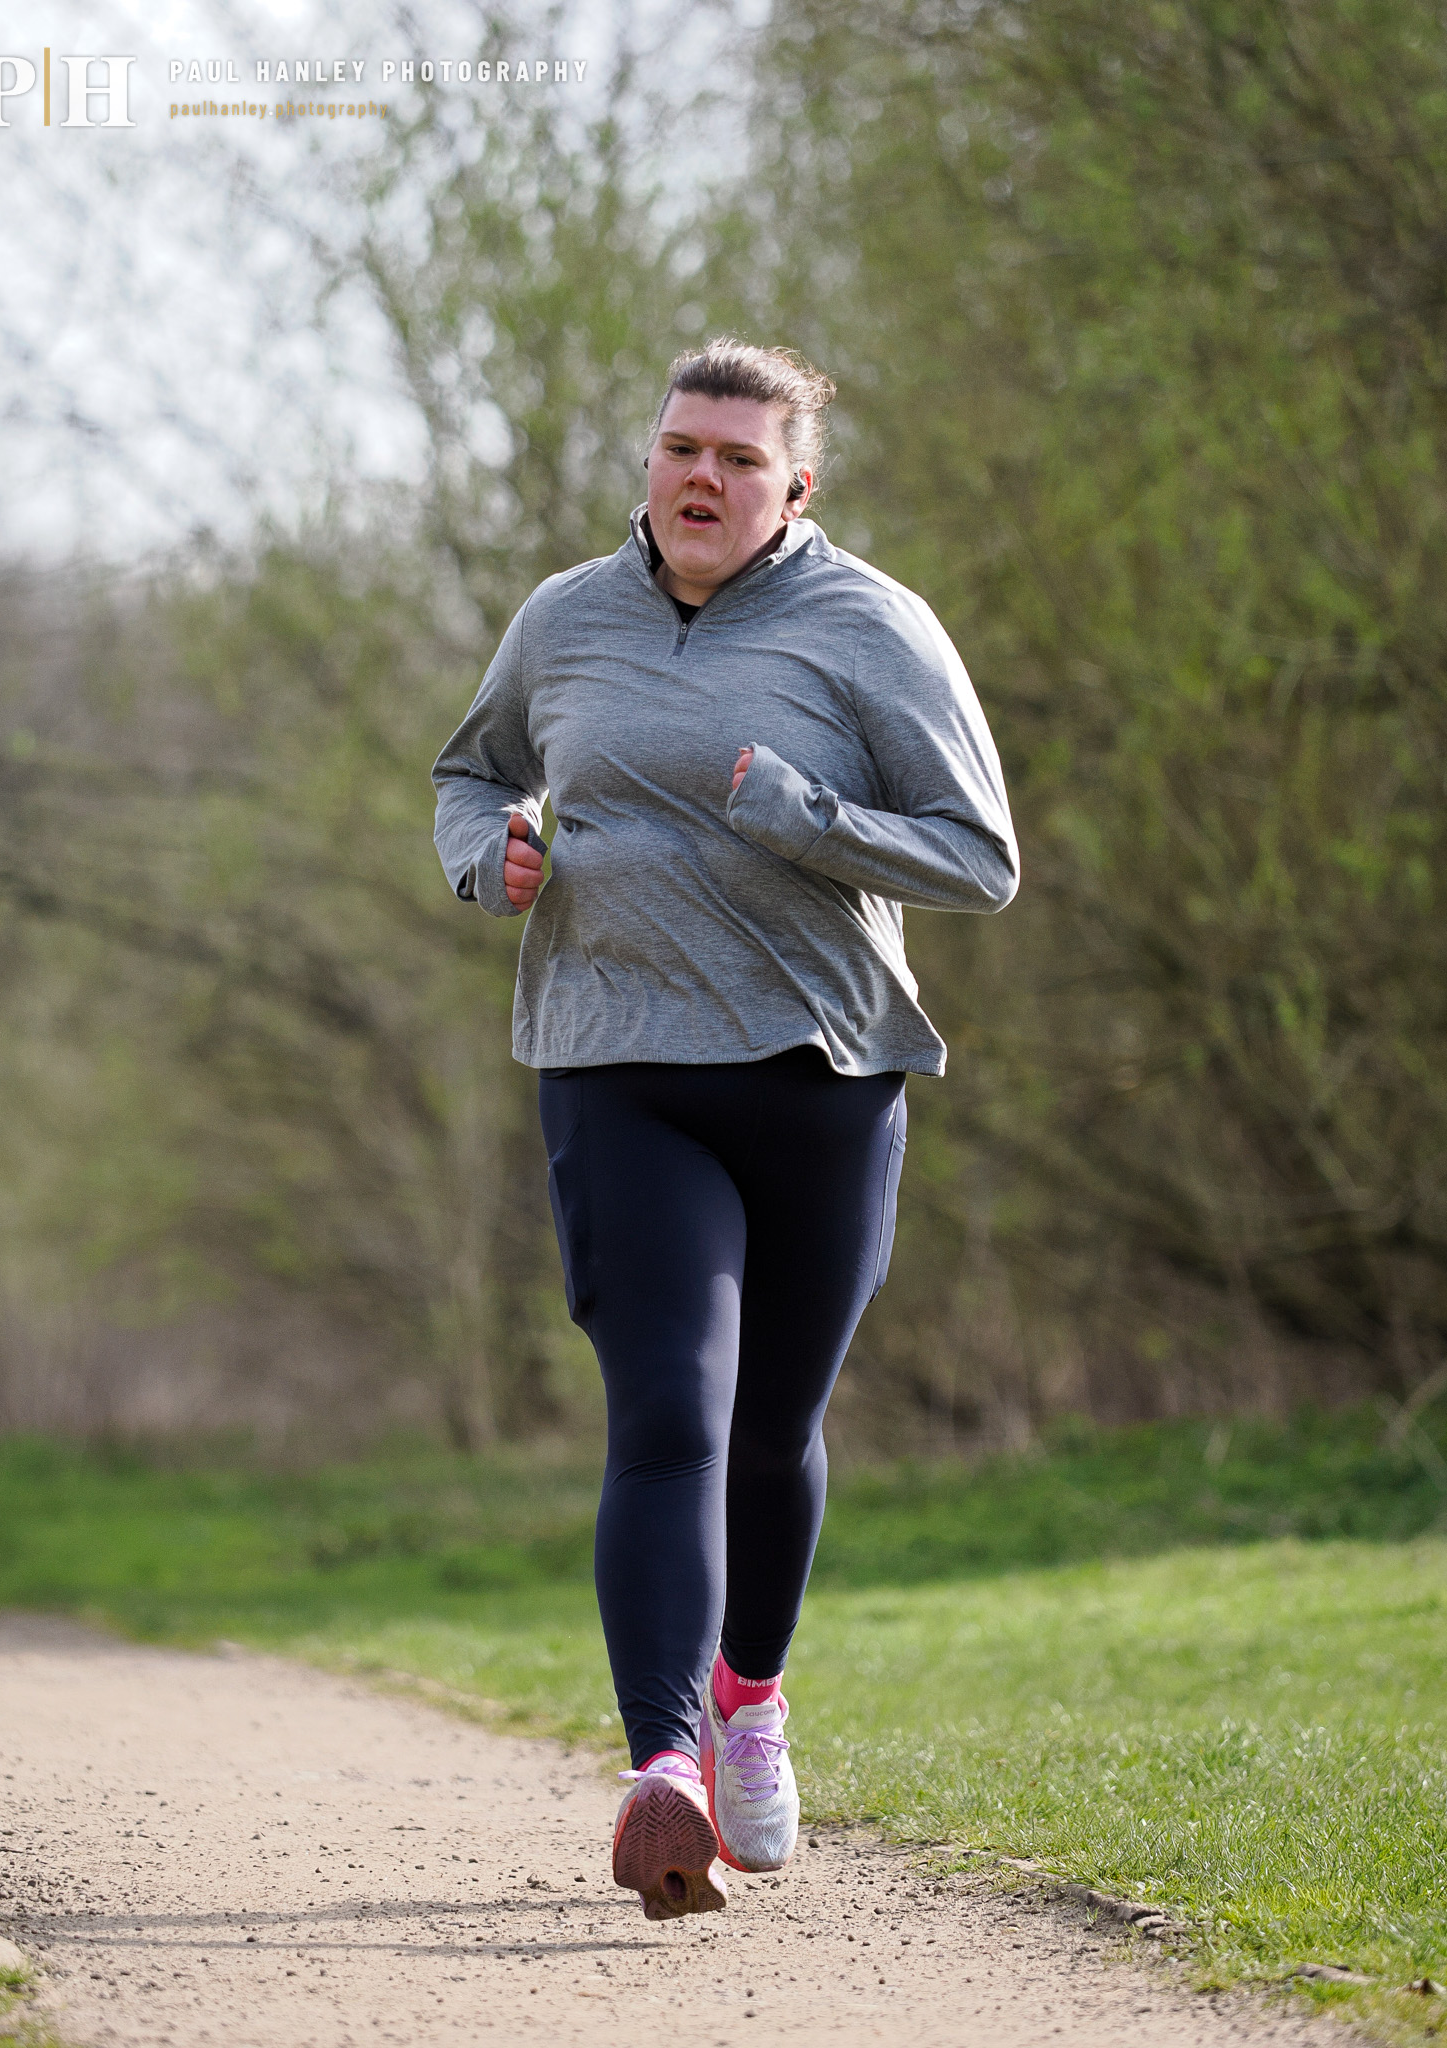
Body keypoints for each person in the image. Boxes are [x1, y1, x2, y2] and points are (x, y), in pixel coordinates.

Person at [431, 337, 1017, 1921]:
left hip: (823, 1073)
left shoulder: (872, 629)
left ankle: (750, 1691)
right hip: (614, 1063)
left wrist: (809, 822)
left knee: (774, 1428)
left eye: (739, 460)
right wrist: (492, 856)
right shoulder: (566, 619)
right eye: (681, 447)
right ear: (650, 459)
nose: (701, 476)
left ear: (794, 489)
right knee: (670, 1411)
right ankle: (665, 1765)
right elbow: (469, 773)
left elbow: (980, 859)